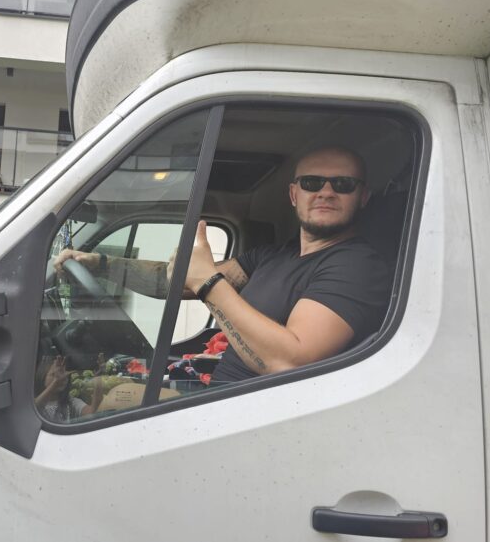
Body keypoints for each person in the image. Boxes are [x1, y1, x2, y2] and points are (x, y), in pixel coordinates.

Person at [54, 146, 391, 382]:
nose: (326, 192)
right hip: (214, 392)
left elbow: (289, 362)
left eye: (343, 184)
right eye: (312, 183)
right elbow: (173, 283)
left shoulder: (358, 267)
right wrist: (99, 263)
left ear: (363, 197)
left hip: (242, 417)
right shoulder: (275, 255)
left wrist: (208, 283)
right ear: (293, 195)